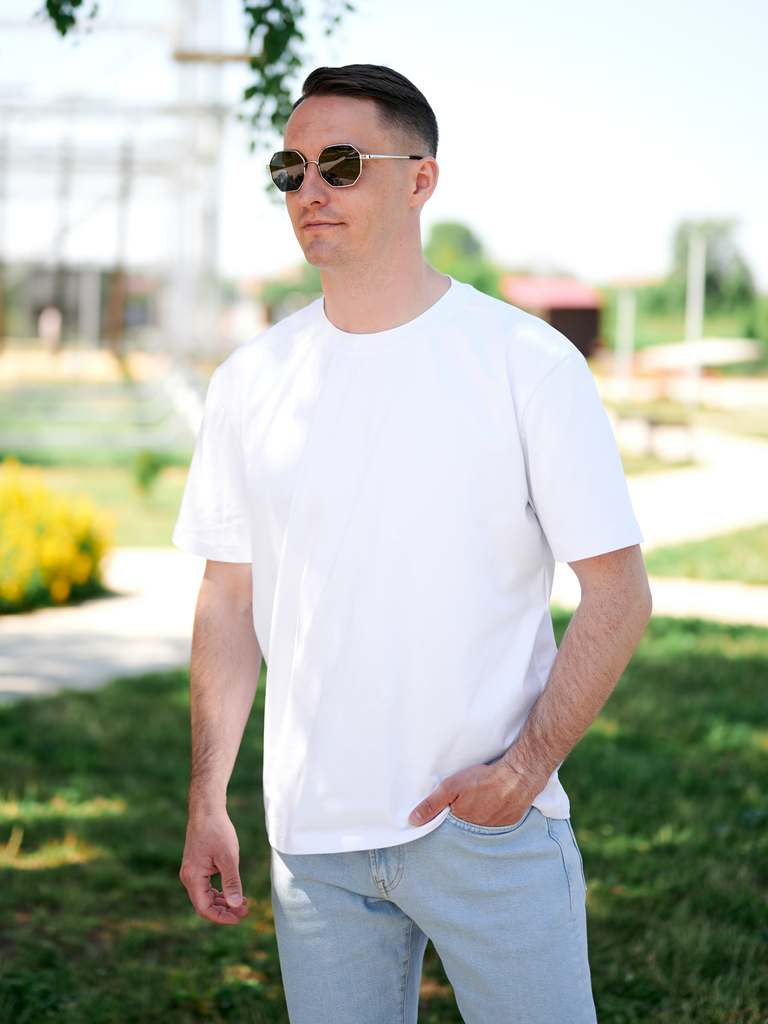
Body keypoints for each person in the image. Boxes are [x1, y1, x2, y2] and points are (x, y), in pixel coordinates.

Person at [175, 64, 652, 1024]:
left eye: (342, 164)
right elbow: (229, 599)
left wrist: (524, 772)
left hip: (486, 832)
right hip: (313, 847)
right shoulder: (249, 383)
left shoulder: (524, 361)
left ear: (421, 179)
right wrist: (207, 796)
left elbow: (619, 593)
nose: (310, 189)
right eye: (291, 169)